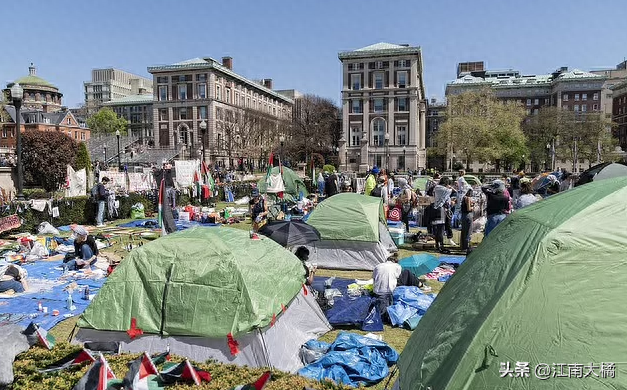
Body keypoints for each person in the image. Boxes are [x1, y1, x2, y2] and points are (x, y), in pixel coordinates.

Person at [372, 254, 422, 322]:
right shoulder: (397, 266)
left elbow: (374, 278)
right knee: (407, 273)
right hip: (389, 291)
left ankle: (419, 283)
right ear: (395, 261)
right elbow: (398, 277)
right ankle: (419, 284)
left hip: (376, 291)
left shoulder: (378, 266)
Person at [431, 177, 454, 253]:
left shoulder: (436, 188)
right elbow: (451, 191)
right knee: (441, 228)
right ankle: (441, 245)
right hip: (440, 209)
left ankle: (437, 244)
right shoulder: (443, 189)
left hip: (435, 208)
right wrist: (450, 187)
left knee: (437, 228)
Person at [460, 187, 474, 254]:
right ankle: (466, 246)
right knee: (468, 231)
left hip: (463, 215)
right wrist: (473, 207)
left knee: (464, 231)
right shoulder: (468, 198)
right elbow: (469, 208)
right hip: (468, 215)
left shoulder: (463, 198)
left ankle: (463, 246)